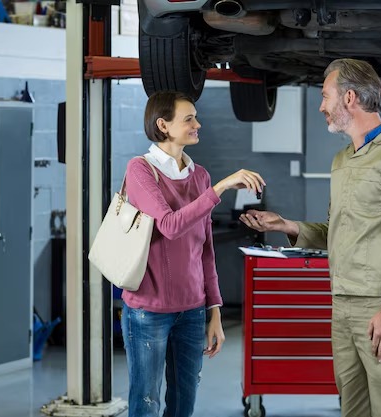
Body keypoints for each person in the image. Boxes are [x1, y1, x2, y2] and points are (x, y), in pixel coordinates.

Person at [239, 59, 381, 417]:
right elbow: (338, 233)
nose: (321, 106)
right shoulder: (342, 159)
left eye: (325, 96)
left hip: (380, 304)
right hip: (341, 303)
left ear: (349, 98)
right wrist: (285, 225)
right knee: (353, 408)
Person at [122, 90, 265, 417]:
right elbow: (170, 225)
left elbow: (205, 250)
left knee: (184, 403)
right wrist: (220, 189)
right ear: (164, 125)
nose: (198, 124)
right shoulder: (141, 170)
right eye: (189, 119)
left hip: (191, 311)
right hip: (149, 312)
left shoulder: (199, 176)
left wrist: (214, 311)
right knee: (146, 403)